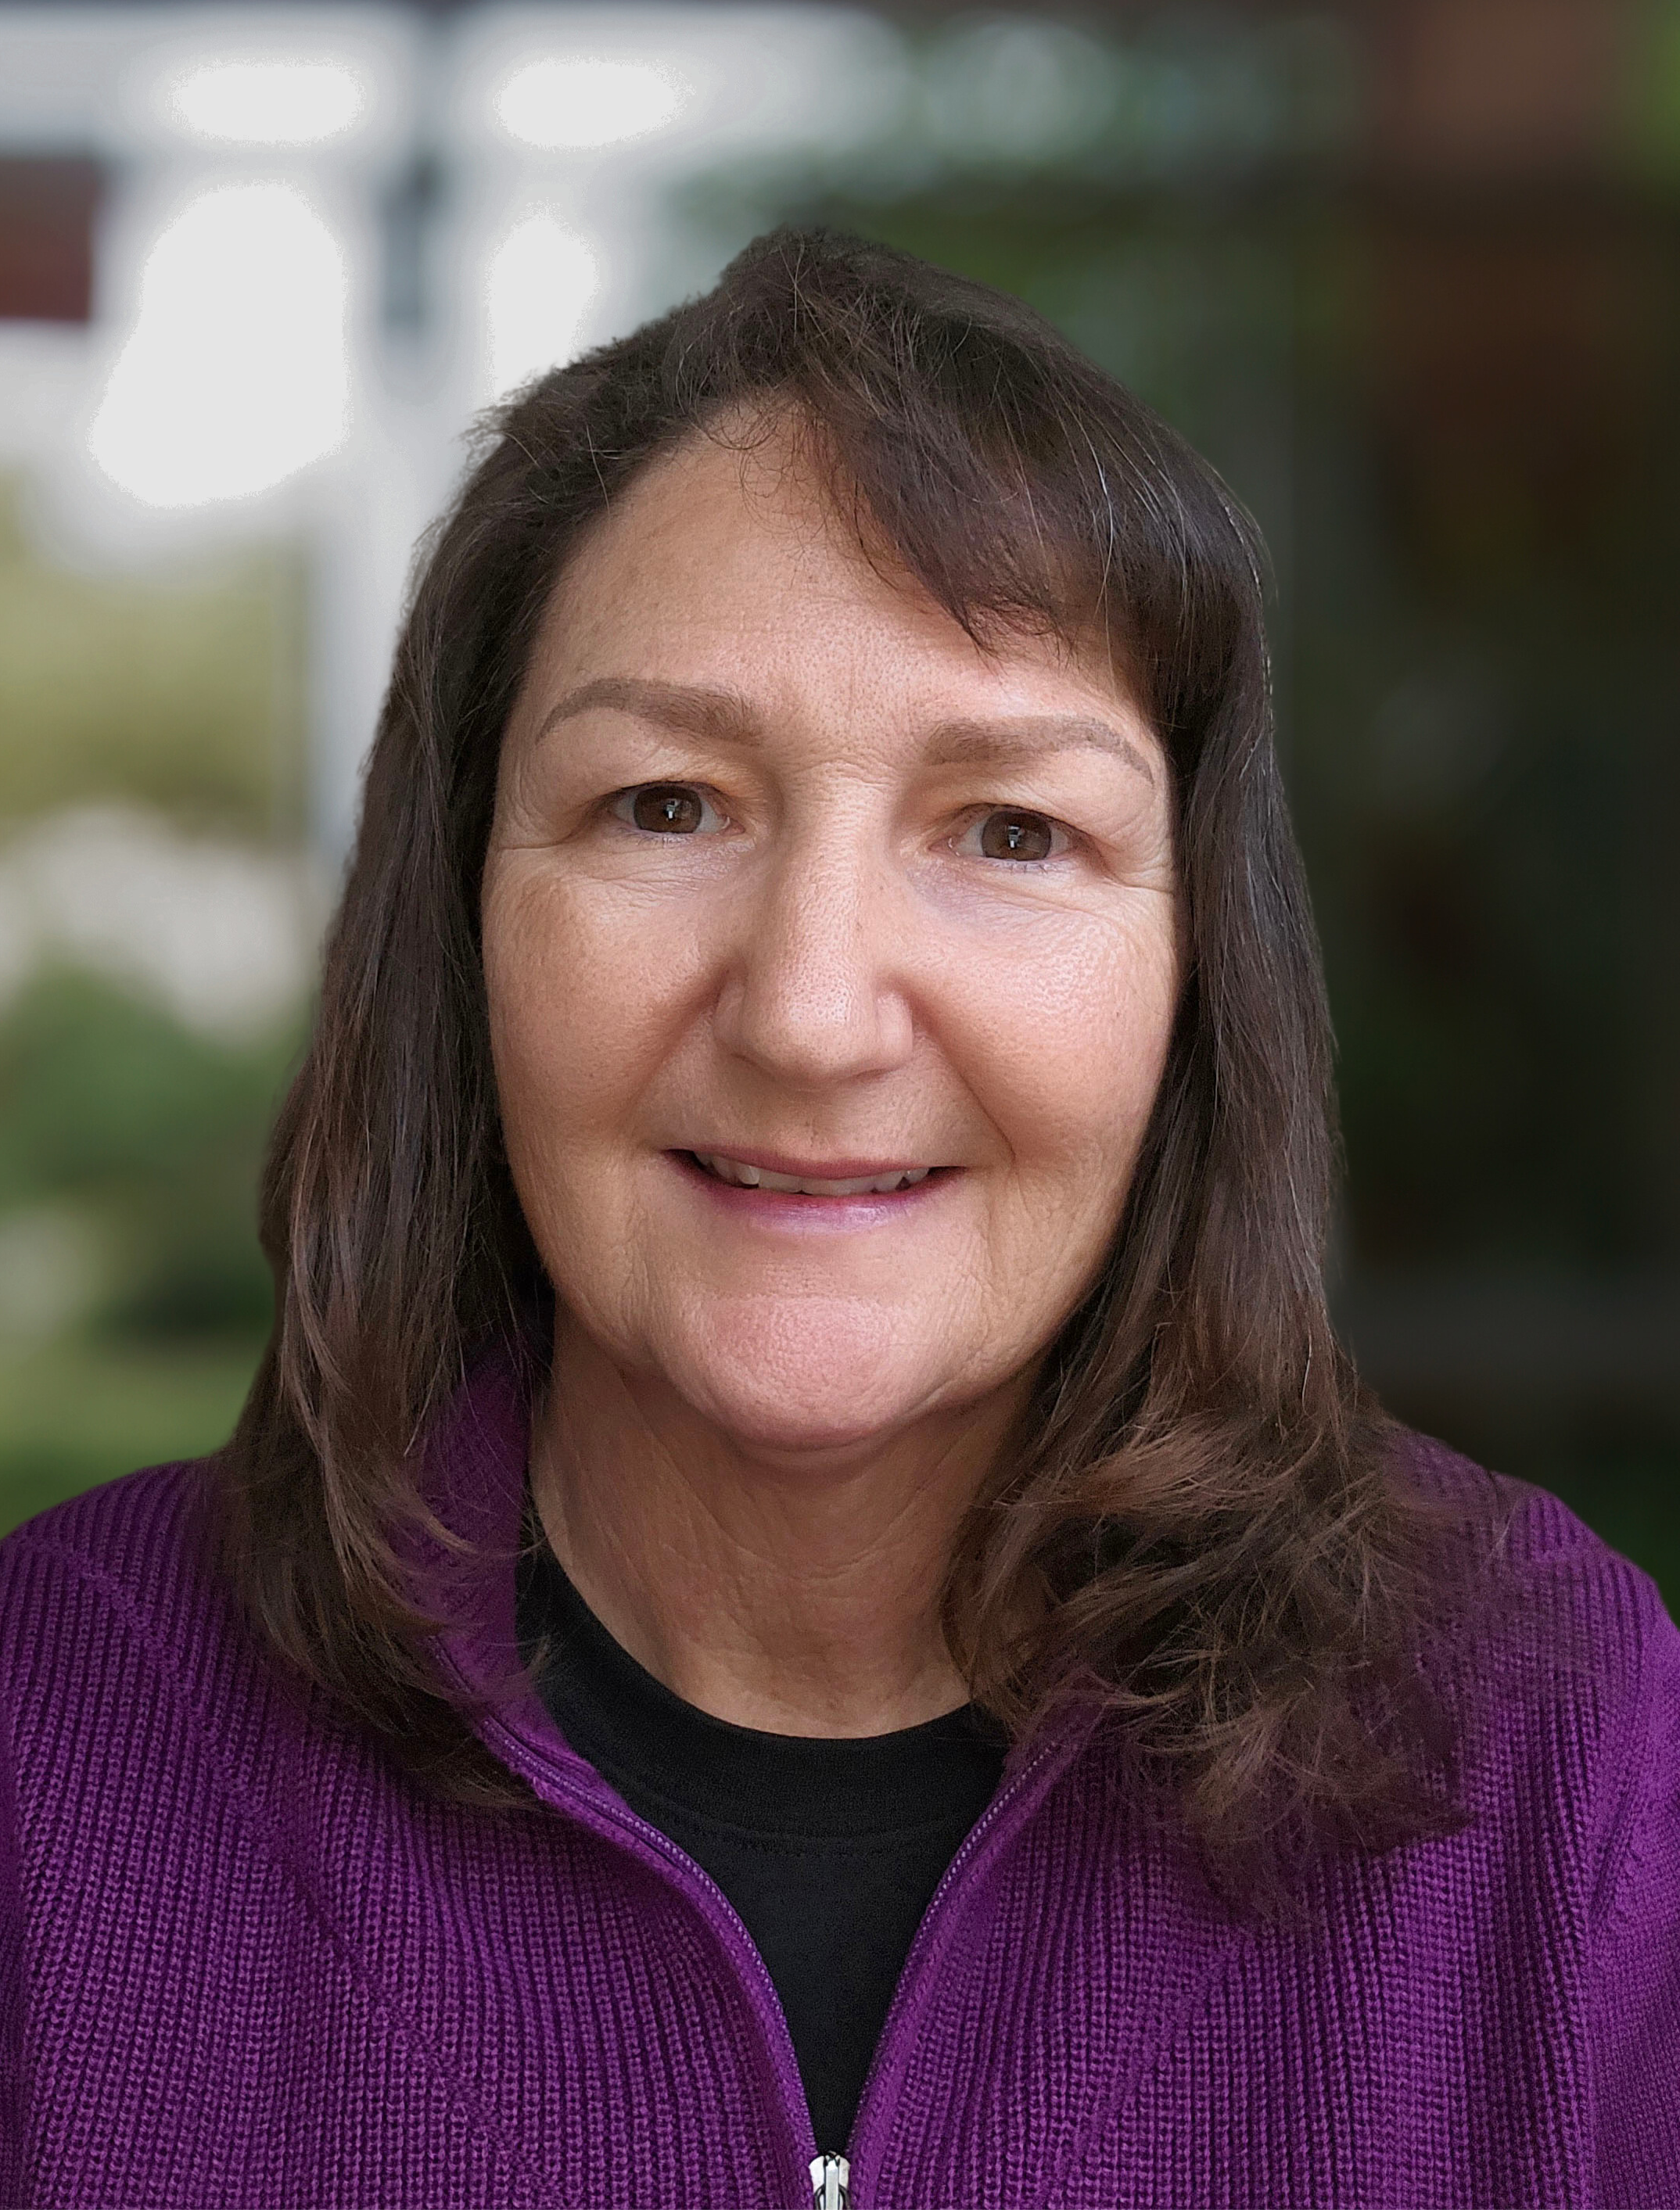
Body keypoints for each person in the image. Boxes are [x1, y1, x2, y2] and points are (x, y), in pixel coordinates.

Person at [2, 228, 1675, 2210]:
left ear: (1195, 979)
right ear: (460, 923)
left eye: (1009, 832)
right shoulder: (54, 1755)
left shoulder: (1553, 1752)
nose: (809, 1012)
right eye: (667, 805)